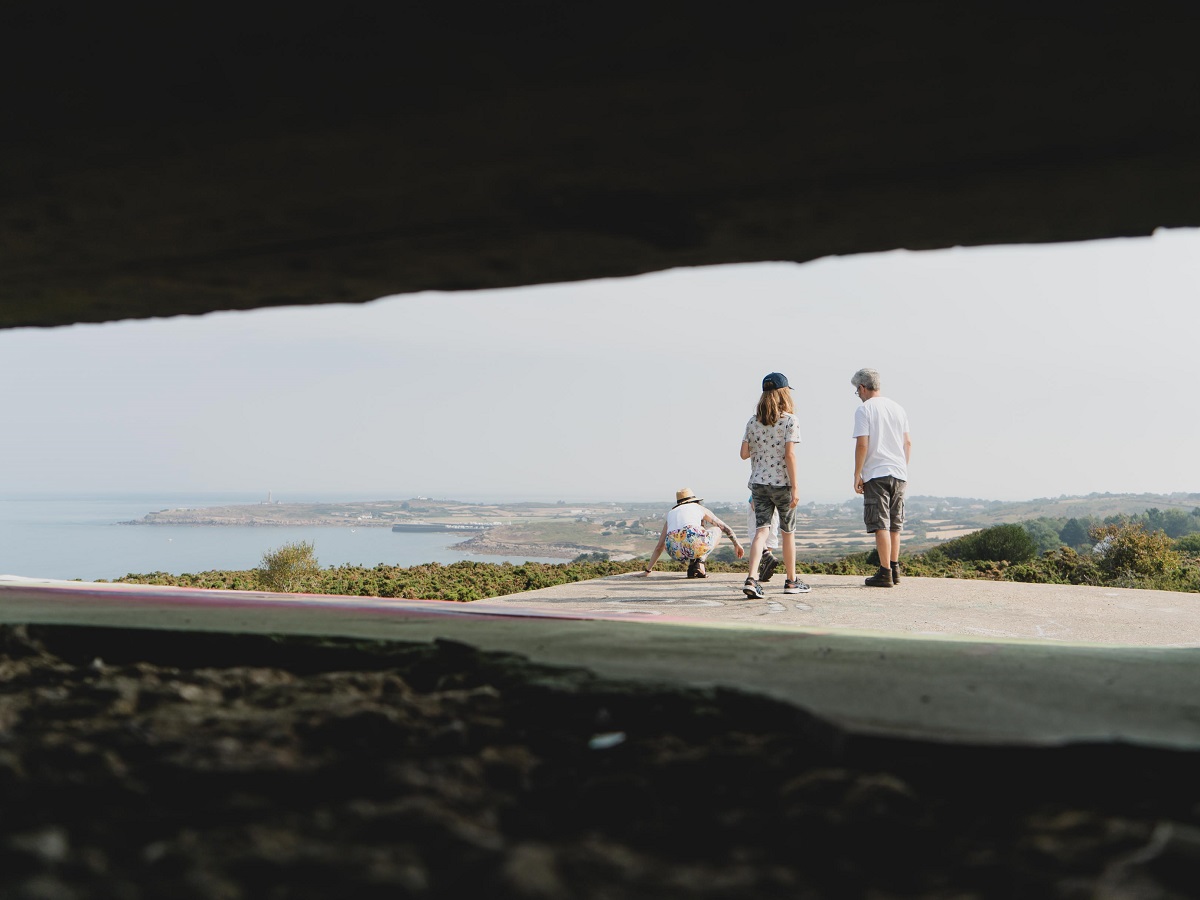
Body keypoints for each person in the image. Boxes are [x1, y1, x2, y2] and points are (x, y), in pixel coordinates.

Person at [740, 372, 810, 598]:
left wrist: (761, 446)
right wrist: (796, 487)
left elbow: (743, 454)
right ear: (784, 393)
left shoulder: (752, 421)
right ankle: (791, 581)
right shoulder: (790, 420)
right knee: (788, 533)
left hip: (758, 484)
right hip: (782, 484)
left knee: (761, 531)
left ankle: (752, 579)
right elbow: (790, 455)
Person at [851, 368, 912, 587]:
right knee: (895, 524)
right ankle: (895, 568)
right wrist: (902, 466)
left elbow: (862, 444)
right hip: (899, 472)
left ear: (862, 388)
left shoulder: (864, 409)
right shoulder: (898, 408)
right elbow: (908, 443)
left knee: (881, 524)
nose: (857, 395)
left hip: (876, 473)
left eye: (856, 391)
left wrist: (858, 474)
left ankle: (885, 572)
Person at [641, 488, 744, 577]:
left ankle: (692, 568)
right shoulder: (698, 508)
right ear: (694, 501)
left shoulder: (671, 514)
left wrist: (647, 570)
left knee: (691, 537)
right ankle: (700, 563)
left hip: (674, 551)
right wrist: (736, 544)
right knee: (715, 530)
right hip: (694, 543)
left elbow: (659, 547)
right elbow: (724, 527)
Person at [748, 497, 781, 581]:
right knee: (769, 535)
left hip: (759, 498)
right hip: (776, 501)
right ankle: (765, 568)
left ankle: (765, 557)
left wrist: (753, 498)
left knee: (757, 534)